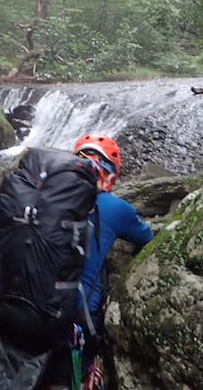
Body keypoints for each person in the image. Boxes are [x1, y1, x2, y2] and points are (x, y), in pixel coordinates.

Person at [43, 133, 155, 389]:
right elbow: (147, 237)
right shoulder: (116, 208)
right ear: (110, 175)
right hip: (78, 319)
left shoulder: (45, 199)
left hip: (32, 304)